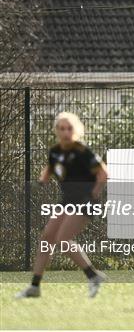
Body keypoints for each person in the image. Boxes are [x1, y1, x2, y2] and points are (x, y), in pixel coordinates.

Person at [16, 112, 108, 298]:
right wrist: (41, 181)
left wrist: (93, 195)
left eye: (69, 128)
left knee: (62, 241)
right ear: (56, 131)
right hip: (67, 201)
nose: (66, 132)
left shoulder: (82, 151)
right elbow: (50, 168)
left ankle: (93, 276)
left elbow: (103, 174)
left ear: (76, 130)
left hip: (85, 201)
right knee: (46, 240)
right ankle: (34, 286)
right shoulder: (55, 151)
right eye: (62, 128)